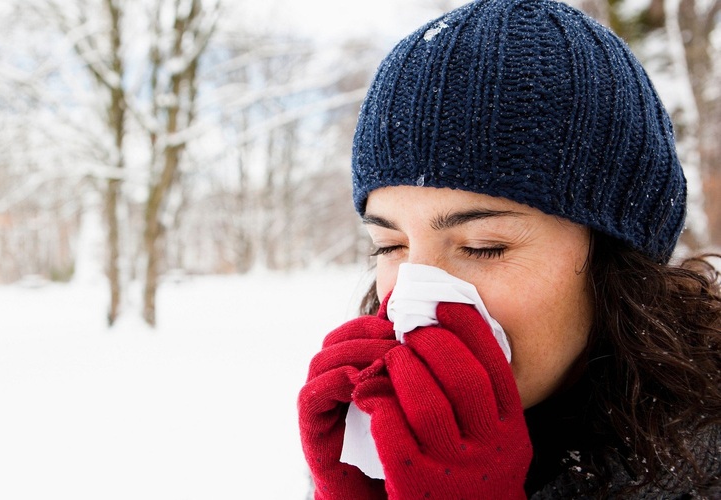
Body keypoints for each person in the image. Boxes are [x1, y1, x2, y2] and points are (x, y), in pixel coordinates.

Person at [296, 0, 721, 498]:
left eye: (483, 246)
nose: (413, 301)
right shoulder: (376, 434)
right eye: (390, 245)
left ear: (617, 262)